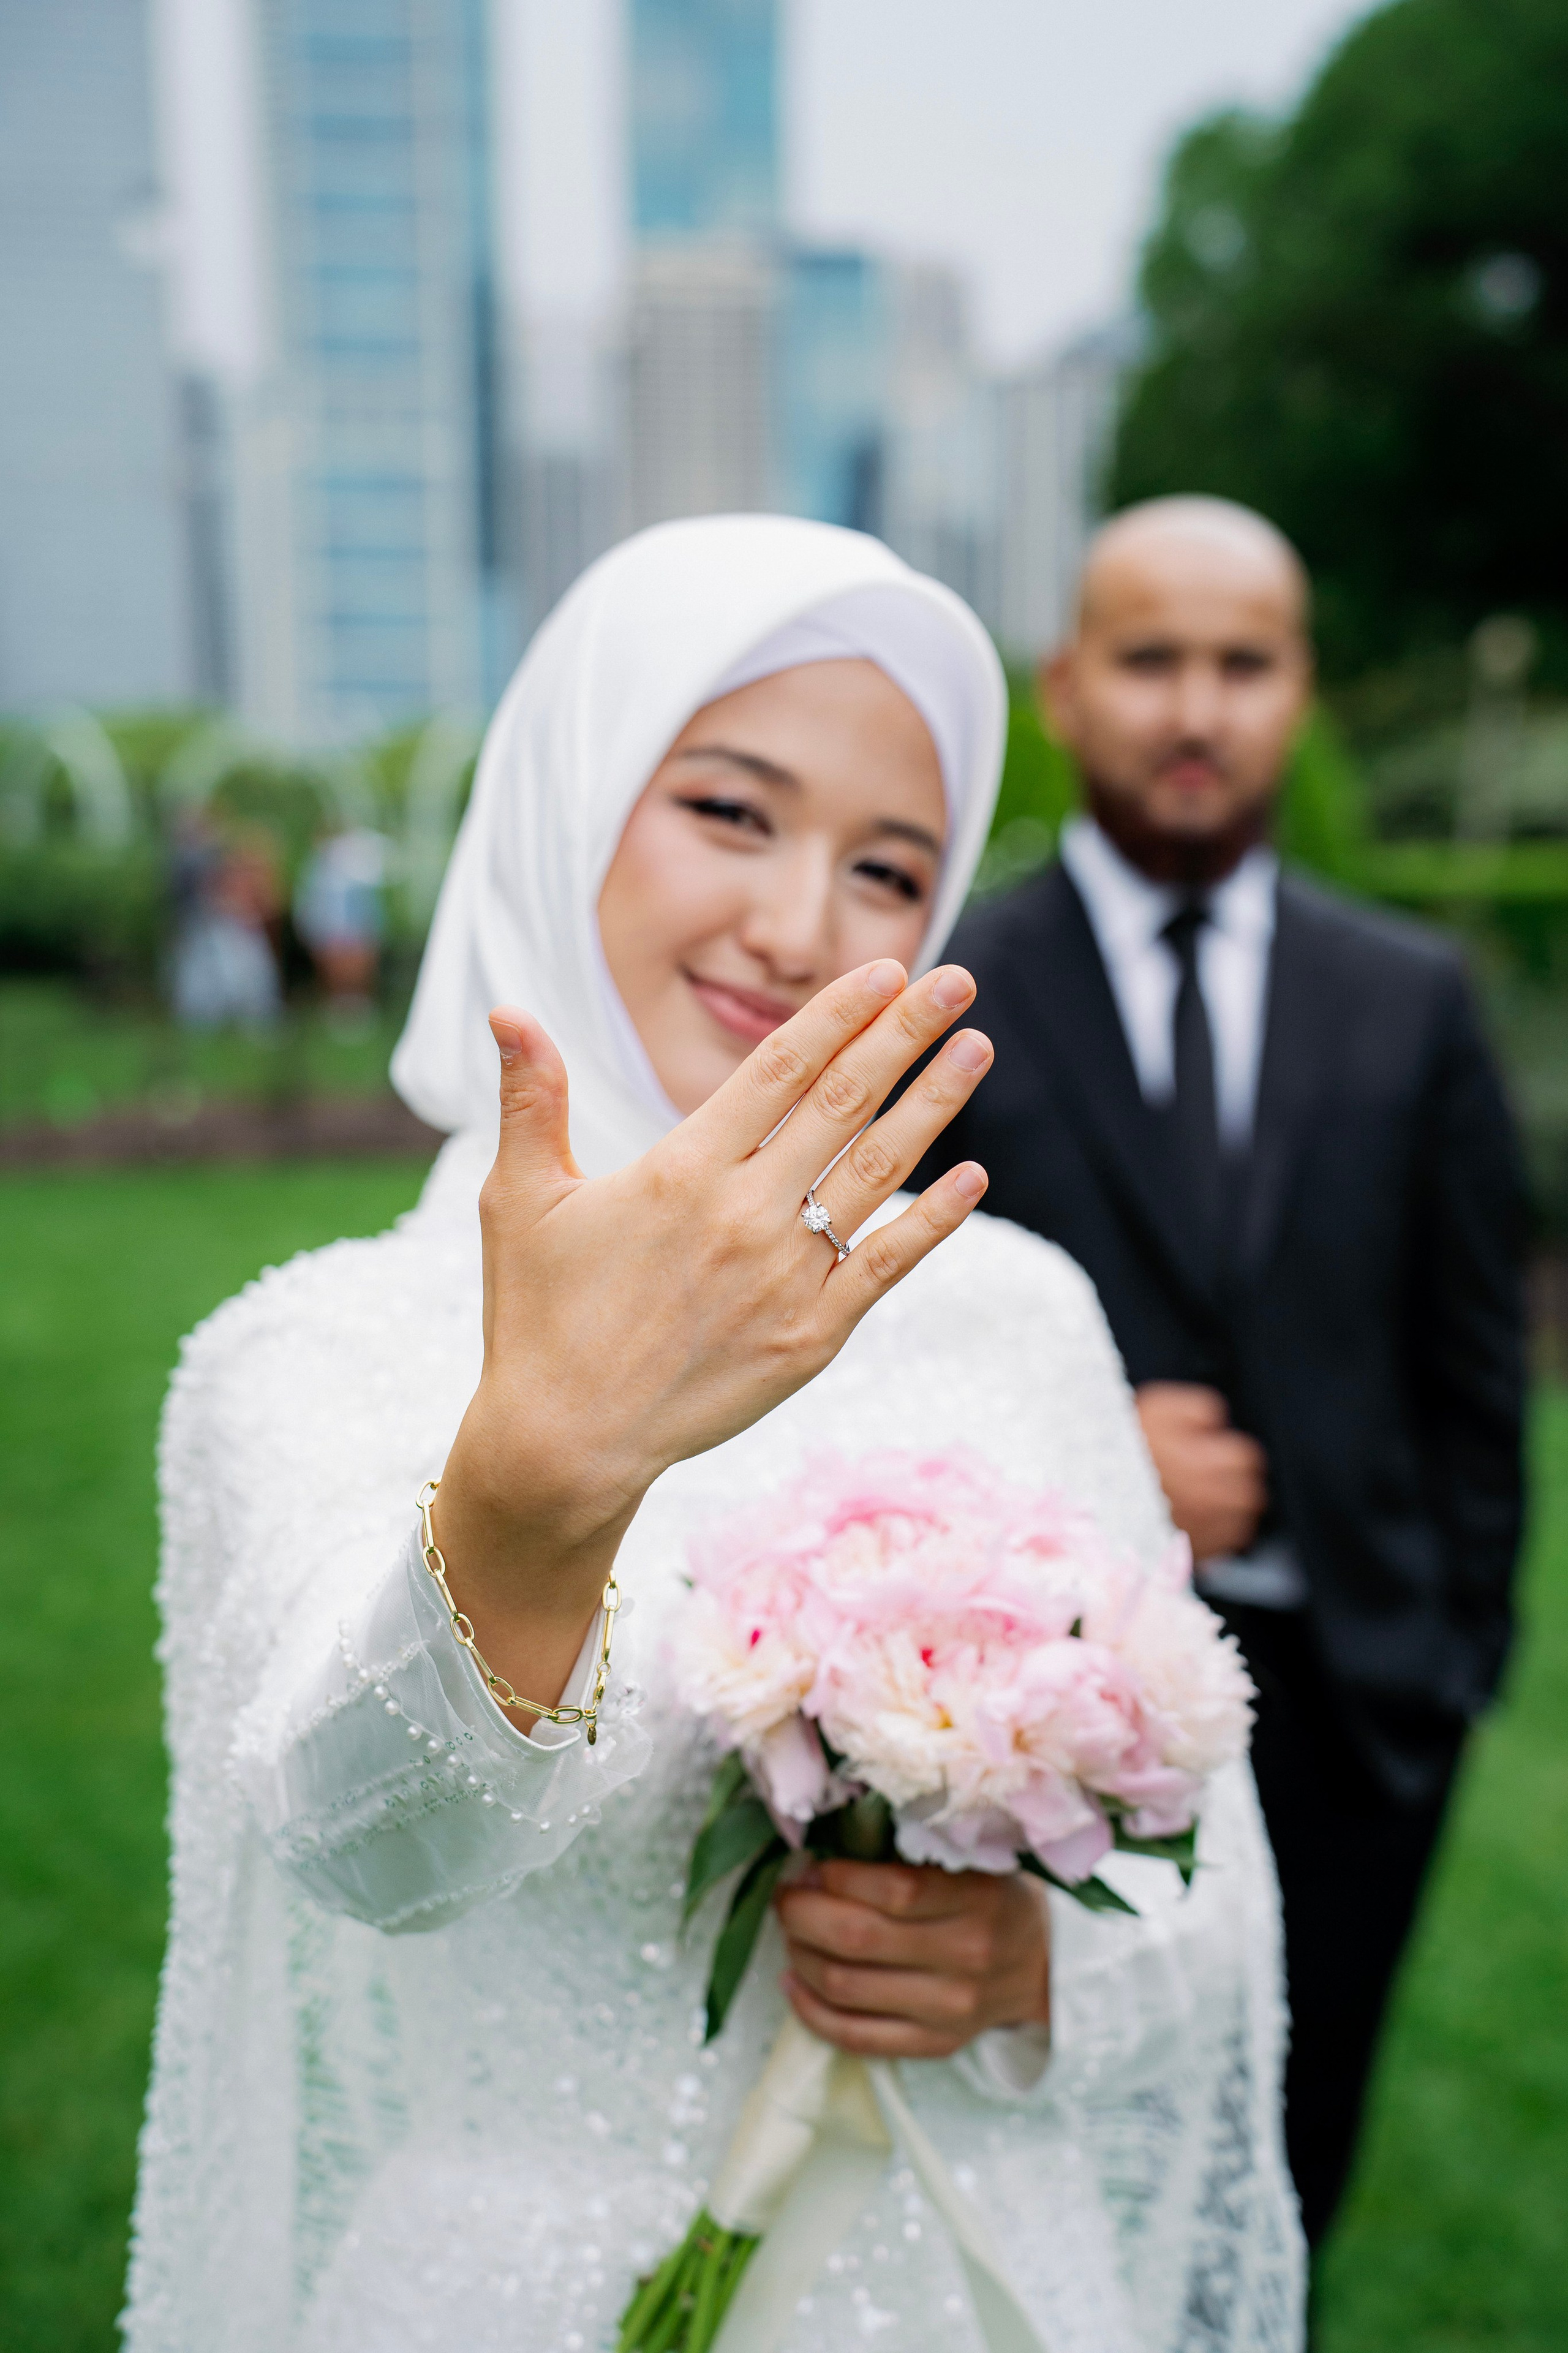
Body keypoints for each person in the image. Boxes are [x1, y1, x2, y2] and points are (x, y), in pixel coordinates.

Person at [126, 515, 1302, 2353]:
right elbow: (372, 1849)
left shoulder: (1018, 1310)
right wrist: (541, 1478)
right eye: (731, 813)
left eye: (888, 866)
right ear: (569, 797)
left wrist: (1032, 1963)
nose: (797, 923)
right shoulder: (314, 1348)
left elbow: (1216, 1876)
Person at [916, 496, 1526, 2250]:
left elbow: (1474, 1366)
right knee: (1038, 2186)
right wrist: (1092, 1460)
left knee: (1285, 2168)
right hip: (1027, 1723)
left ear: (1301, 691)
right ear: (1068, 685)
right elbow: (858, 1344)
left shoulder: (1411, 999)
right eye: (1152, 657)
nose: (1198, 707)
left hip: (1353, 1718)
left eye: (1243, 663)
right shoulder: (952, 992)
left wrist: (1453, 1666)